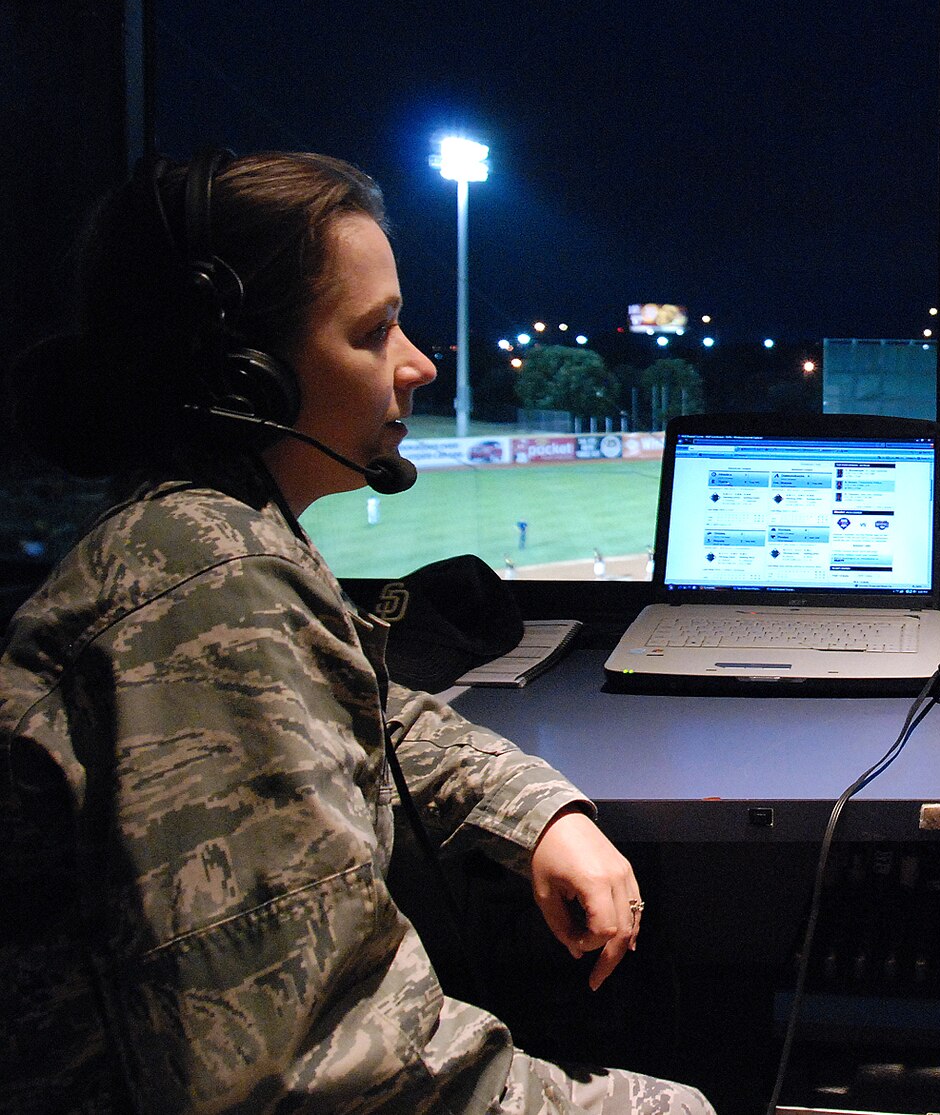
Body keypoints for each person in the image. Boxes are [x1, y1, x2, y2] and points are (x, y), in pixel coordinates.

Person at [1, 152, 713, 1115]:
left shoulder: (219, 540)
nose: (416, 363)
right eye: (374, 331)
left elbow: (367, 712)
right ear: (246, 375)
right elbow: (322, 1081)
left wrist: (538, 810)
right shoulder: (202, 586)